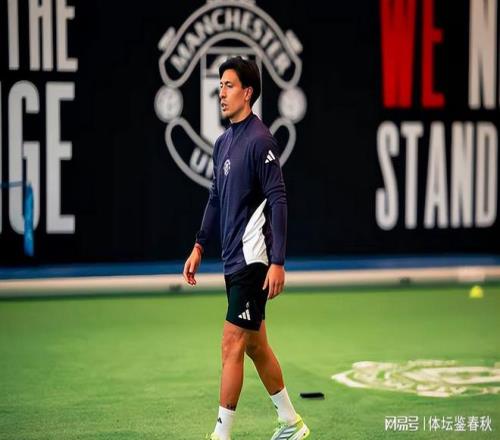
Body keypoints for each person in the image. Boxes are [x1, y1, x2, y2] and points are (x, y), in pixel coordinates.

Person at [183, 56, 309, 440]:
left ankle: (221, 435)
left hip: (254, 259)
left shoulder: (260, 140)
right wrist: (199, 245)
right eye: (220, 85)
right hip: (232, 259)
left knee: (231, 343)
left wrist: (278, 262)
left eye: (229, 85)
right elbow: (215, 198)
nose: (221, 92)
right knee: (255, 345)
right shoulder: (223, 143)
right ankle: (291, 422)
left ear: (248, 92)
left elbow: (279, 199)